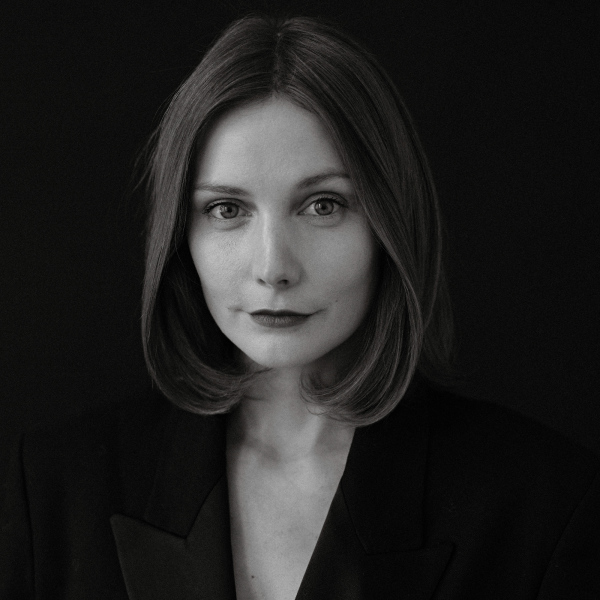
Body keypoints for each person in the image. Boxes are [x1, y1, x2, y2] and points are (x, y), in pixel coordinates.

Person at [1, 12, 599, 600]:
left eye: (323, 206)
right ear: (181, 236)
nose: (274, 267)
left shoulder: (545, 506)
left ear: (390, 223)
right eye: (227, 210)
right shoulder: (53, 487)